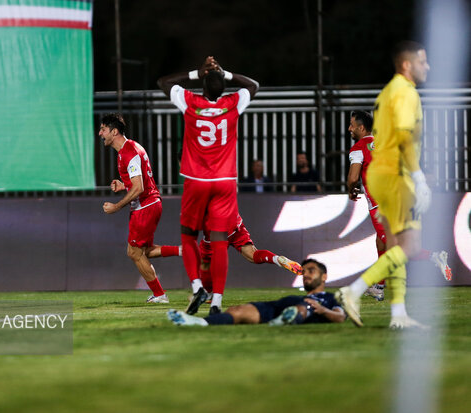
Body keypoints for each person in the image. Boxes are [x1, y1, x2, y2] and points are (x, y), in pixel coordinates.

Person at [336, 41, 434, 329]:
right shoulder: (406, 93)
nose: (427, 67)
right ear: (407, 64)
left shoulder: (390, 91)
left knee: (395, 246)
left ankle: (398, 314)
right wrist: (418, 176)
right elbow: (404, 139)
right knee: (408, 246)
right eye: (422, 61)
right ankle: (353, 291)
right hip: (394, 178)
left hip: (382, 177)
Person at [158, 56, 259, 315]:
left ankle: (196, 287)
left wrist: (197, 73)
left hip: (197, 179)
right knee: (219, 241)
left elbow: (164, 82)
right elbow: (253, 85)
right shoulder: (232, 104)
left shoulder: (192, 102)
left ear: (203, 86)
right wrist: (224, 74)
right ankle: (216, 302)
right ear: (223, 89)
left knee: (188, 235)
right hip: (225, 181)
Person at [346, 110, 452, 302]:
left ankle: (434, 256)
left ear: (361, 128)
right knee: (381, 242)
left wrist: (351, 189)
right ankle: (379, 287)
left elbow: (353, 178)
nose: (349, 129)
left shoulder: (358, 148)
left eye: (352, 125)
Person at [99, 113, 181, 303]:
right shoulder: (128, 150)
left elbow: (139, 187)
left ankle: (160, 295)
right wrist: (123, 186)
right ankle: (183, 251)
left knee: (134, 252)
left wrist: (116, 206)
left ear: (114, 131)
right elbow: (137, 183)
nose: (100, 133)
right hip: (148, 204)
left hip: (146, 205)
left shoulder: (129, 152)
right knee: (144, 251)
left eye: (103, 129)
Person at [167, 258, 346, 326]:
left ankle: (285, 320)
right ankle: (199, 322)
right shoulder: (301, 295)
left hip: (305, 309)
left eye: (311, 270)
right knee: (237, 311)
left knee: (303, 307)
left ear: (324, 277)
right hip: (279, 306)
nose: (305, 274)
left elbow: (340, 316)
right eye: (304, 271)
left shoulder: (330, 298)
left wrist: (322, 310)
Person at [197, 213, 303, 302]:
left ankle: (209, 294)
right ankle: (277, 259)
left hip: (215, 229)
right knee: (252, 254)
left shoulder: (200, 193)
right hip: (234, 222)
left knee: (205, 262)